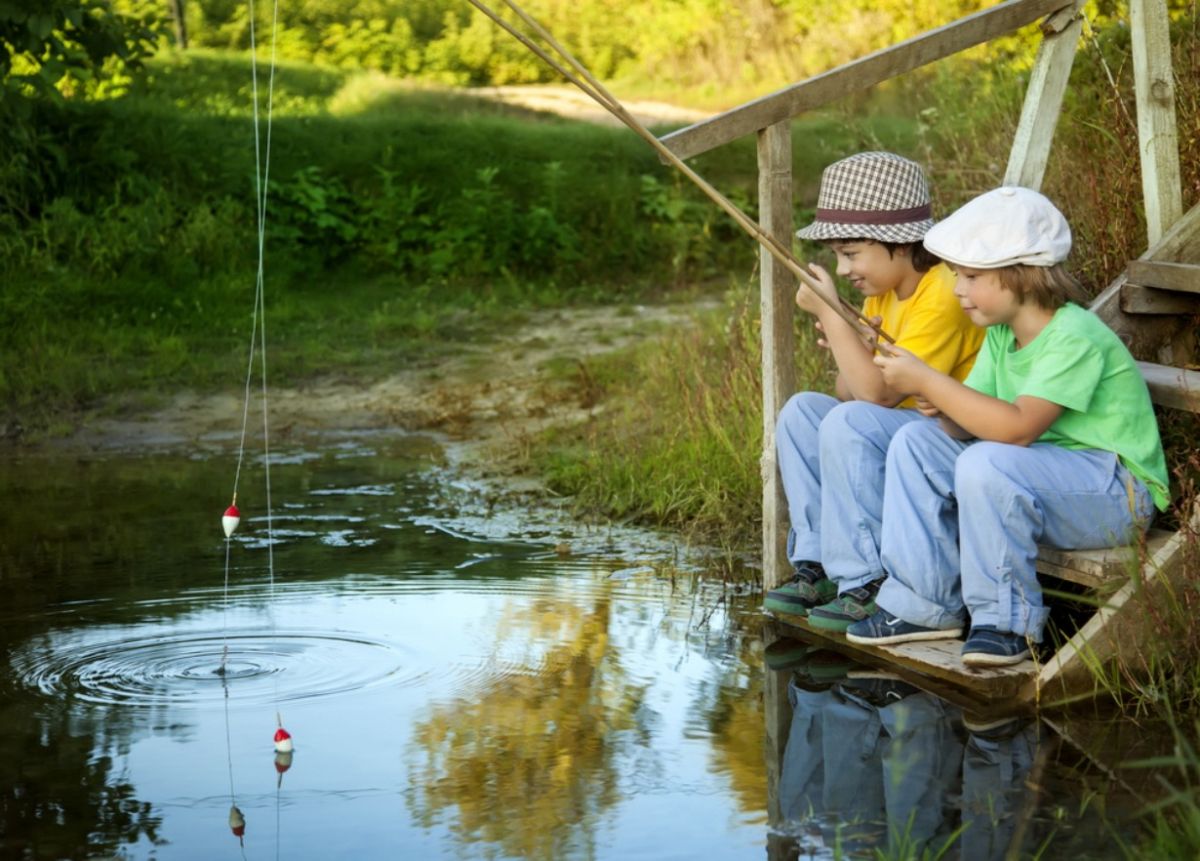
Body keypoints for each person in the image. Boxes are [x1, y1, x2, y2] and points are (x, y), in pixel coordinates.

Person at [847, 186, 1170, 666]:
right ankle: (925, 604)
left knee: (988, 461)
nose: (957, 289)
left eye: (970, 276)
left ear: (1021, 277)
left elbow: (1017, 429)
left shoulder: (1074, 336)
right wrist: (941, 404)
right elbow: (973, 421)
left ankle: (1007, 623)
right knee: (915, 438)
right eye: (957, 275)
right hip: (1042, 473)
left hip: (1115, 491)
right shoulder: (1001, 336)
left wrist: (931, 380)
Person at [765, 152, 983, 632]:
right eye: (838, 257)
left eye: (850, 253)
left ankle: (866, 579)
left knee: (849, 421)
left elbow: (877, 398)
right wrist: (851, 339)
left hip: (947, 435)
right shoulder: (882, 293)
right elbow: (849, 391)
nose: (842, 270)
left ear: (899, 244)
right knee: (803, 410)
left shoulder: (943, 292)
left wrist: (830, 315)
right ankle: (820, 563)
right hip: (897, 428)